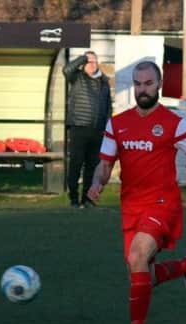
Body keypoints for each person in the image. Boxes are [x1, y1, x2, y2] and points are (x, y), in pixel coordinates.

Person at [87, 60, 186, 324]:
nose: (143, 89)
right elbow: (104, 165)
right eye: (138, 84)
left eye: (148, 84)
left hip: (162, 203)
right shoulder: (117, 124)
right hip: (131, 206)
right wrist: (97, 183)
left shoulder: (173, 122)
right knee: (141, 272)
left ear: (158, 85)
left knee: (139, 254)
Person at [63, 50, 112, 208]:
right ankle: (73, 199)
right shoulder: (77, 77)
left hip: (98, 130)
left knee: (92, 166)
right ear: (83, 64)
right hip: (79, 127)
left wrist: (106, 126)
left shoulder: (104, 82)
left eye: (94, 61)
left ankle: (87, 198)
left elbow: (108, 106)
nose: (92, 64)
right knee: (76, 164)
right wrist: (83, 58)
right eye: (88, 62)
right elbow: (67, 69)